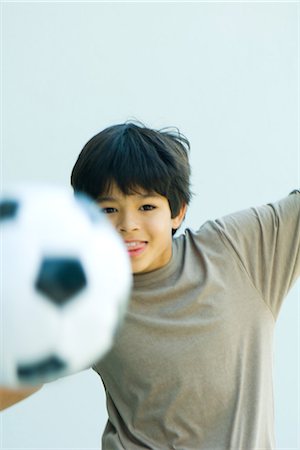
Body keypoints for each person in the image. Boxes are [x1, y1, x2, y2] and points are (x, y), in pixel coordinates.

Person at [1, 121, 299, 450]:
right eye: (108, 209)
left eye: (146, 207)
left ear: (178, 211)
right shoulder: (83, 294)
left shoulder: (238, 251)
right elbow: (19, 376)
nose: (128, 225)